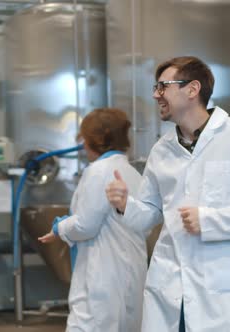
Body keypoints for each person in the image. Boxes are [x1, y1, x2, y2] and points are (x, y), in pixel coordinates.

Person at [105, 56, 230, 331]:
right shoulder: (161, 149)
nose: (156, 95)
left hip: (217, 288)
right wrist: (126, 205)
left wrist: (209, 220)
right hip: (168, 285)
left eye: (163, 87)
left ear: (192, 89)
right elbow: (150, 214)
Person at [38, 108, 147, 332]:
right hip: (130, 275)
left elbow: (85, 225)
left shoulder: (98, 171)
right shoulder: (132, 173)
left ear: (89, 141)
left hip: (102, 278)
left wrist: (60, 226)